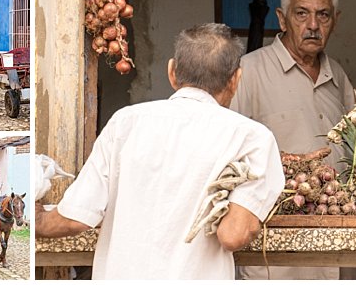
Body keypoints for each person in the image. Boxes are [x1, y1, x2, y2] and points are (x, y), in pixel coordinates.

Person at [34, 23, 284, 280]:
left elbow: (77, 217)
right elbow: (233, 235)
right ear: (236, 79)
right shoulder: (252, 138)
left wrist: (38, 220)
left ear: (172, 72)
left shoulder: (125, 123)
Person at [231, 0, 356, 280]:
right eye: (301, 13)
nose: (312, 25)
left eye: (323, 15)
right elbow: (226, 156)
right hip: (276, 255)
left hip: (338, 249)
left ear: (335, 20)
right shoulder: (249, 71)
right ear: (282, 18)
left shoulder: (338, 77)